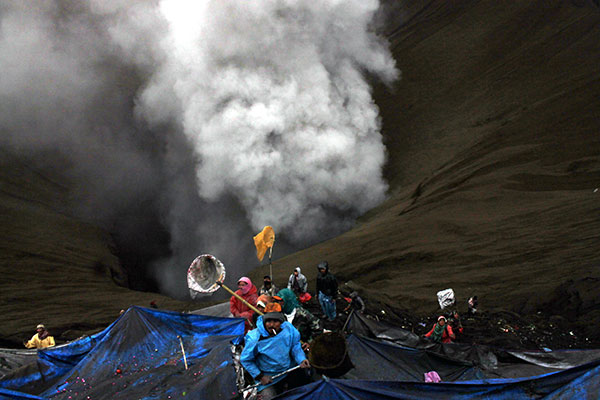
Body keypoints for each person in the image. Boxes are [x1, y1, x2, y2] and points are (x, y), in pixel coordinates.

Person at [240, 312, 310, 400]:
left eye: (275, 321)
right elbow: (246, 360)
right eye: (268, 321)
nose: (271, 325)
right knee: (269, 397)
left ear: (281, 323)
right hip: (268, 376)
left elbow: (295, 345)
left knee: (303, 389)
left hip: (288, 368)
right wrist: (260, 376)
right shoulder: (254, 338)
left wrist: (301, 359)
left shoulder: (288, 329)